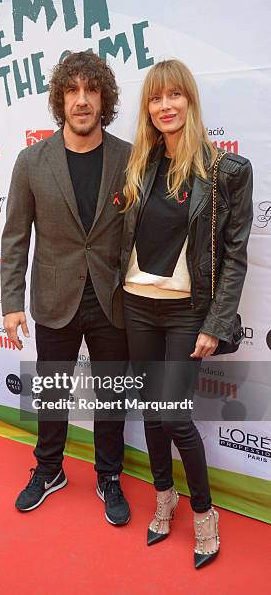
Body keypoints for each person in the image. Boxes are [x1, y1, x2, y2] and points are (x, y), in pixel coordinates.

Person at [121, 59, 253, 568]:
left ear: (190, 101)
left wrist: (216, 324)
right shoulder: (141, 164)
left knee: (172, 414)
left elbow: (234, 256)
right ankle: (163, 497)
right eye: (155, 98)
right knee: (152, 415)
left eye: (174, 95)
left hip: (185, 314)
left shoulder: (226, 171)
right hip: (137, 305)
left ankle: (204, 513)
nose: (164, 106)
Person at [1, 51, 132, 525]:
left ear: (104, 98)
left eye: (91, 90)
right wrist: (11, 302)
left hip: (112, 299)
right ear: (60, 99)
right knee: (52, 391)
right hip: (53, 299)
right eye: (72, 90)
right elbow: (15, 235)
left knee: (111, 394)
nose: (82, 100)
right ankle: (49, 469)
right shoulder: (31, 161)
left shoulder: (128, 157)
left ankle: (109, 475)